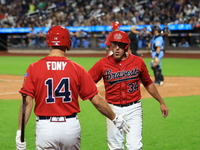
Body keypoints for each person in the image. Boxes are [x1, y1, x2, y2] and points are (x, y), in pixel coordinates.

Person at [15, 26, 130, 150]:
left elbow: (27, 102)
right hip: (70, 127)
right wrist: (115, 118)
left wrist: (20, 132)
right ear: (68, 42)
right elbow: (96, 100)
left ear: (48, 41)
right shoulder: (77, 69)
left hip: (45, 127)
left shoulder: (34, 67)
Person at [88, 30, 169, 150]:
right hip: (112, 110)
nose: (116, 48)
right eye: (114, 45)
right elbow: (87, 83)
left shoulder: (138, 62)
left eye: (120, 45)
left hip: (134, 109)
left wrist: (161, 102)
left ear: (126, 47)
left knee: (135, 147)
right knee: (115, 147)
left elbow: (147, 82)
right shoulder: (102, 64)